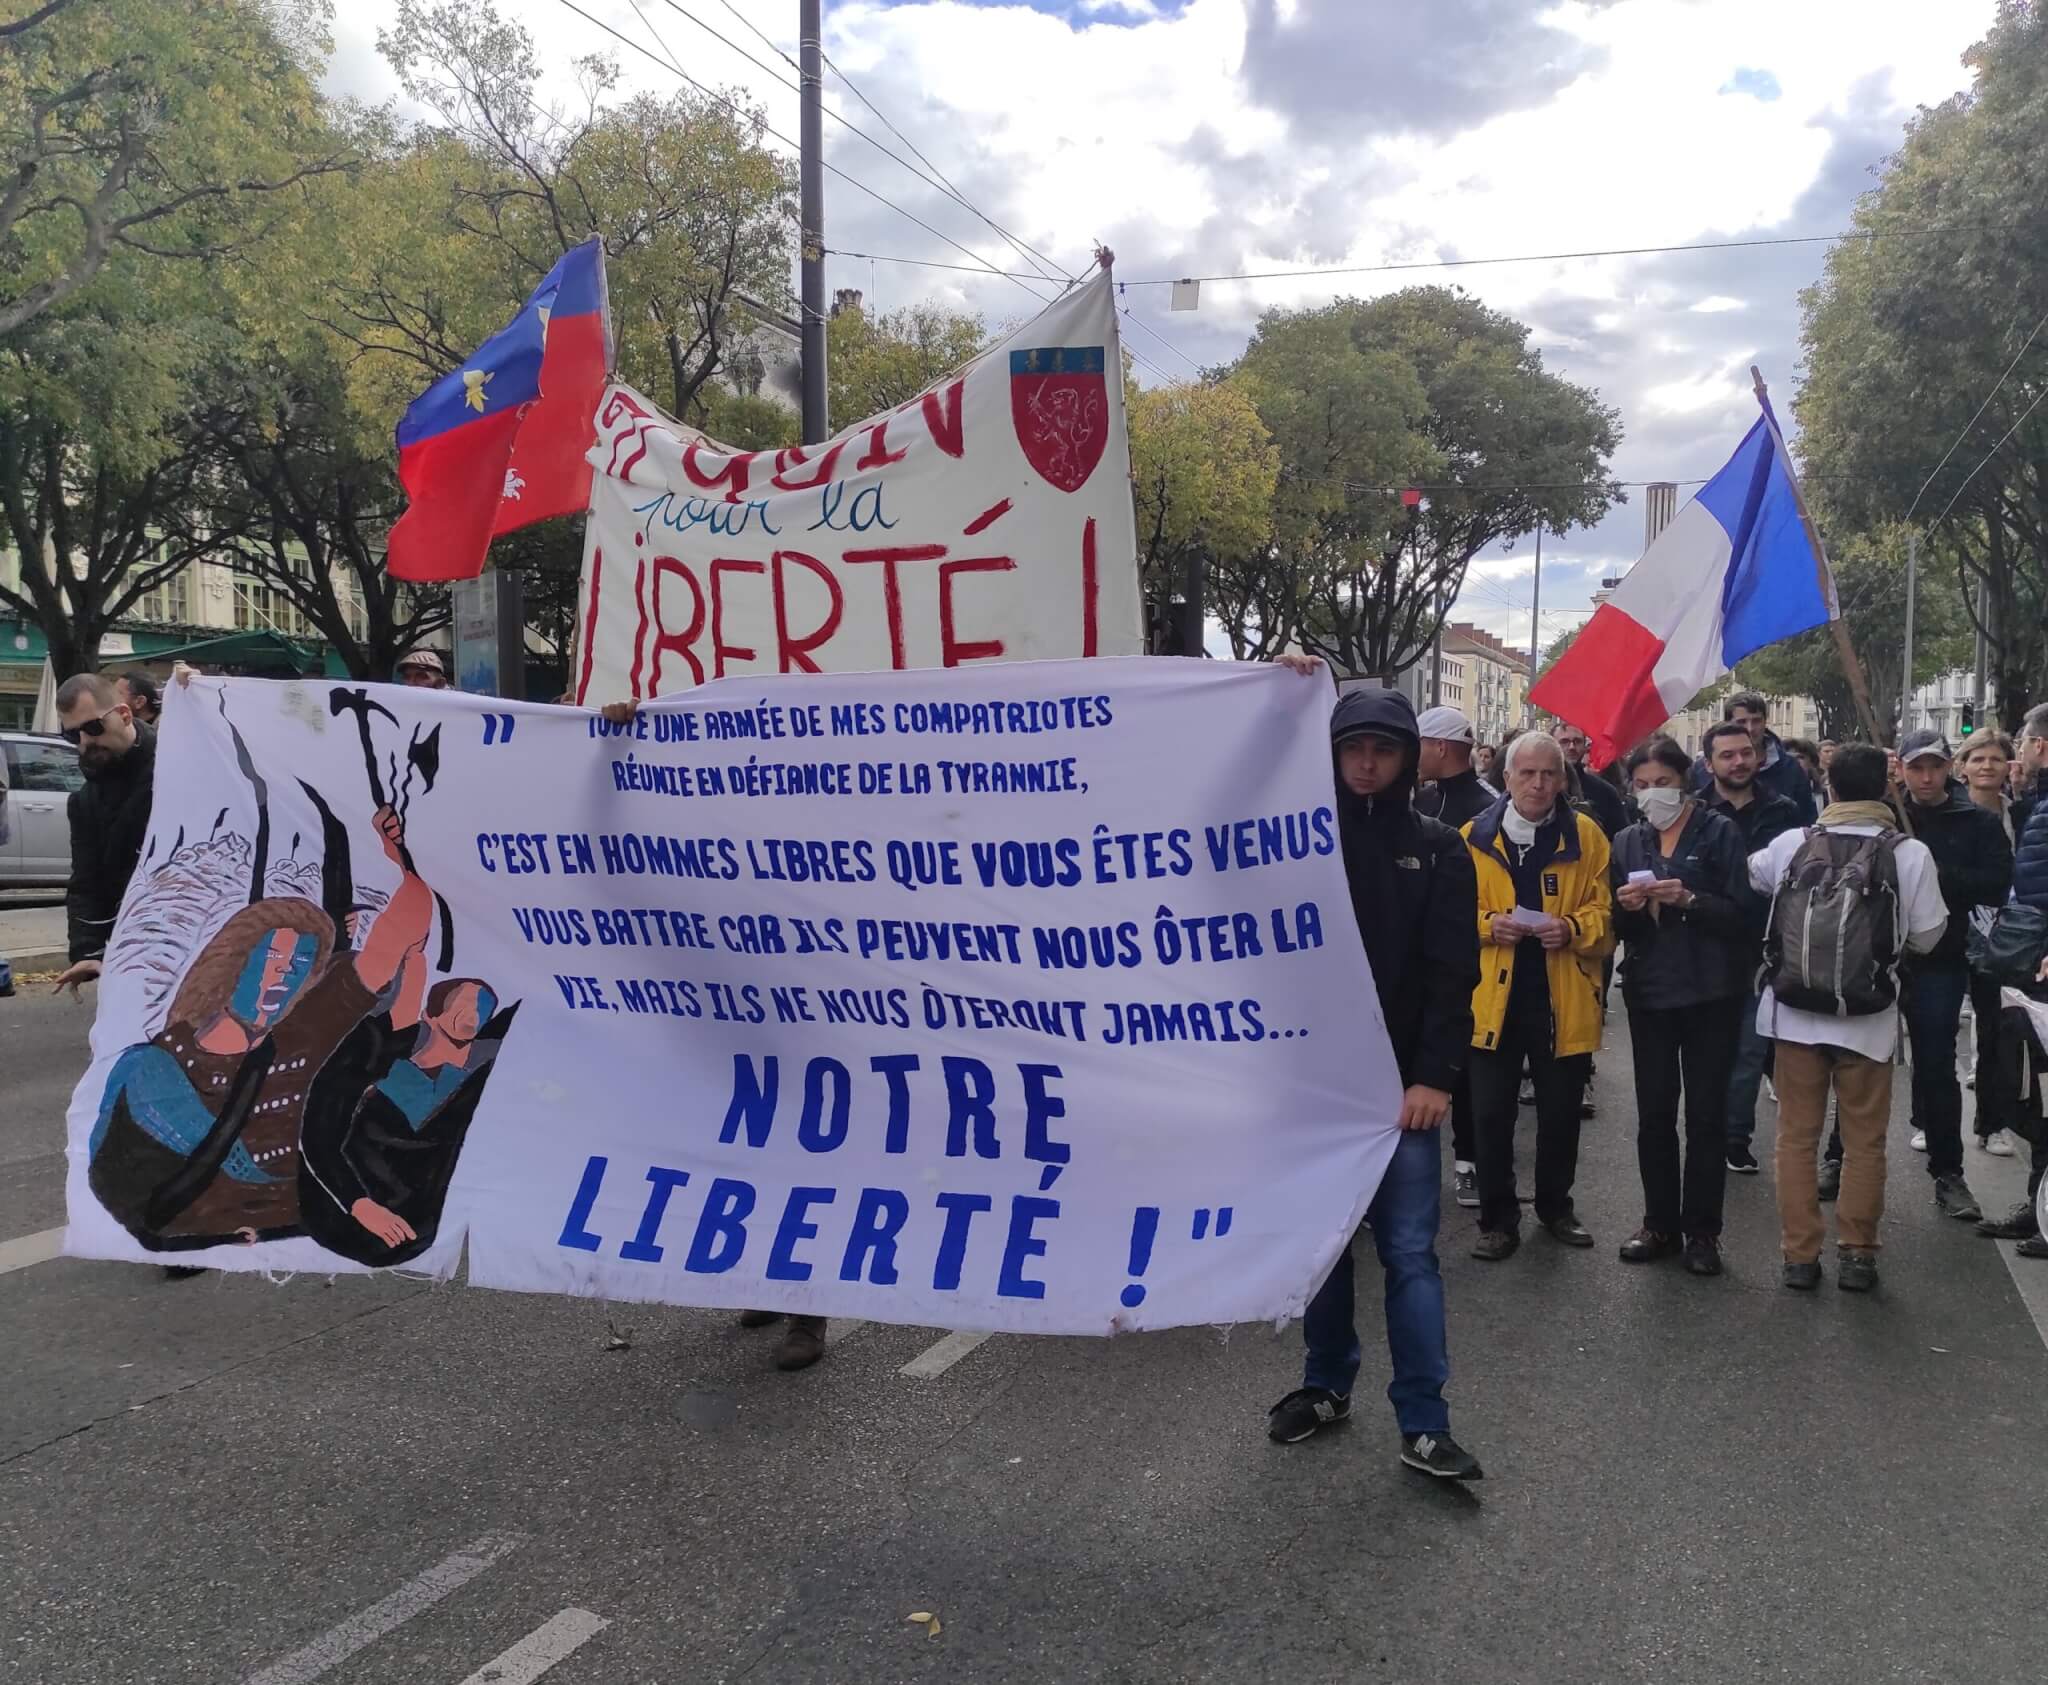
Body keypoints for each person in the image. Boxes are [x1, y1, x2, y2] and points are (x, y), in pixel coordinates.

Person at [1265, 673, 1484, 1481]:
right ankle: (1326, 1383)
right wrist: (1274, 690)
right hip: (1310, 1089)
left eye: (1381, 750)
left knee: (1409, 1254)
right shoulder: (1295, 841)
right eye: (1351, 747)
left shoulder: (1439, 849)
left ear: (1407, 761)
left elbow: (1451, 975)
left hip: (1401, 1098)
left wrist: (1433, 1078)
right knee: (1322, 1252)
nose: (1365, 764)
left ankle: (1424, 1419)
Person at [1749, 744, 1948, 1292]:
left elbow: (1756, 877)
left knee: (1795, 1138)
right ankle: (1858, 1251)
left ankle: (1799, 1256)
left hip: (1793, 1016)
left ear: (1828, 787)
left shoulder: (1794, 843)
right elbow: (1929, 936)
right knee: (1864, 1141)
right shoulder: (1910, 853)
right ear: (1887, 789)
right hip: (1870, 1019)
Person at [1847, 731, 2009, 1224]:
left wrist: (1933, 872)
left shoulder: (1977, 822)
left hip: (1940, 959)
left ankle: (1948, 1174)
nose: (1925, 776)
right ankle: (1838, 1157)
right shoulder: (1884, 817)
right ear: (1902, 770)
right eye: (1916, 767)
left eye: (1935, 766)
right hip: (1877, 957)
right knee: (1855, 1061)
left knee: (1936, 1064)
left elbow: (1997, 884)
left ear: (1949, 768)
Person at [1462, 731, 1614, 1261]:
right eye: (1526, 773)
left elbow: (1607, 917)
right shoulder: (1471, 837)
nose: (1538, 783)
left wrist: (1572, 928)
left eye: (1549, 773)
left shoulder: (1589, 837)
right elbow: (1449, 915)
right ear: (1506, 778)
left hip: (1561, 995)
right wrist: (1488, 924)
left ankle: (1555, 1206)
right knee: (1489, 1115)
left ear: (1562, 779)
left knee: (1560, 1113)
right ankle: (1498, 1218)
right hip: (1491, 1001)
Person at [1610, 737, 1749, 1276]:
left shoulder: (1719, 833)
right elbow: (1616, 926)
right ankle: (1659, 1221)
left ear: (1684, 781)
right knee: (1654, 1114)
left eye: (1662, 784)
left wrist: (1689, 900)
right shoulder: (1628, 841)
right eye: (1641, 786)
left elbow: (1743, 914)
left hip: (1711, 992)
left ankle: (1703, 1231)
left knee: (1707, 1116)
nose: (1652, 795)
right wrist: (1626, 907)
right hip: (1651, 993)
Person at [1699, 720, 1803, 1175]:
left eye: (1745, 752)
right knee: (1706, 1052)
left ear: (1758, 756)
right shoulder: (1696, 811)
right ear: (1709, 764)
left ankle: (1735, 1137)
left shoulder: (1785, 811)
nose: (1738, 761)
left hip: (1764, 948)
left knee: (1749, 1051)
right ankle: (1705, 1132)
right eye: (1727, 755)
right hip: (1704, 947)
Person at [1415, 705, 1496, 1210]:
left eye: (1417, 742)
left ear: (1440, 747)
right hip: (1412, 954)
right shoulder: (1419, 800)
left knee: (1463, 1066)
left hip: (1472, 955)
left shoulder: (1488, 807)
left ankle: (1469, 1163)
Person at [1976, 704, 2048, 1258]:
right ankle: (2040, 1204)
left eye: (2021, 742)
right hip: (2031, 977)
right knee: (2039, 1099)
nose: (2017, 753)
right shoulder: (2037, 806)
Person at [54, 674, 156, 998]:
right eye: (72, 734)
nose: (84, 741)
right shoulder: (85, 802)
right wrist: (88, 952)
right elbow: (86, 881)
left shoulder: (181, 761)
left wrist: (203, 700)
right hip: (132, 957)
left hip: (200, 946)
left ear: (124, 715)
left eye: (93, 727)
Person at [1958, 732, 2022, 1156]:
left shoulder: (2024, 814)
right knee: (1938, 1031)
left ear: (2007, 767)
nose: (1986, 766)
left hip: (2006, 935)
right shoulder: (1947, 813)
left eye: (1995, 759)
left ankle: (1992, 1122)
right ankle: (1929, 1120)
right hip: (1952, 931)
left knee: (1997, 1028)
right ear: (1962, 766)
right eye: (1977, 758)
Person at [1694, 692, 1818, 824]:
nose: (1750, 728)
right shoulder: (1699, 772)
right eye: (1742, 722)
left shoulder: (1790, 768)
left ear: (1765, 721)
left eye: (1756, 721)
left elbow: (1807, 822)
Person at [1552, 720, 1629, 838]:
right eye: (1564, 742)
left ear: (1584, 746)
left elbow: (1621, 838)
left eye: (1577, 741)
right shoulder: (1541, 786)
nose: (1572, 747)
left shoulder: (1604, 791)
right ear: (1552, 744)